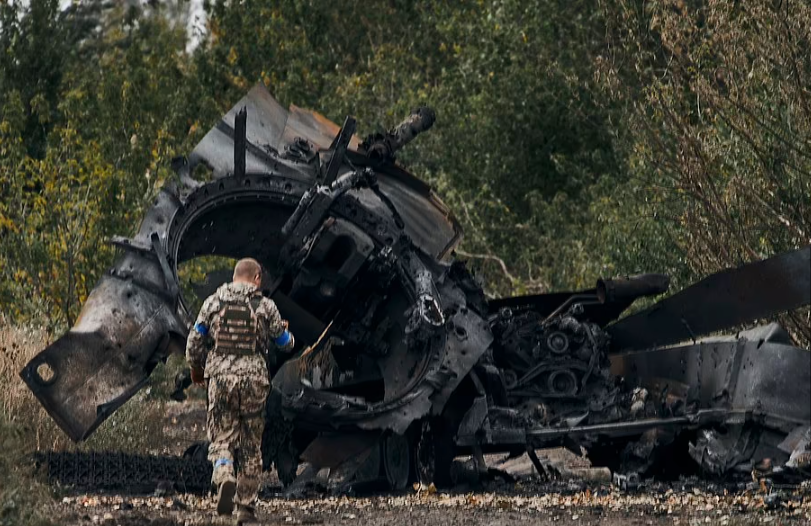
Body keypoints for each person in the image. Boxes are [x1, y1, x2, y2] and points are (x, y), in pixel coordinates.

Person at [186, 258, 295, 525]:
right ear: (257, 278)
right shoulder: (265, 306)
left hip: (221, 379)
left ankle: (224, 476)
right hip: (254, 381)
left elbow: (194, 343)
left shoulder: (213, 303)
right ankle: (245, 510)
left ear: (235, 277)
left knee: (222, 439)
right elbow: (285, 344)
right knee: (250, 446)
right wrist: (287, 334)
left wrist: (197, 370)